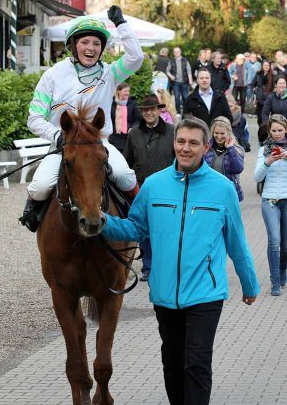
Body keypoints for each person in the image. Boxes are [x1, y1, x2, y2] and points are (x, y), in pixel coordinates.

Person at [102, 116, 259, 405]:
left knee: (196, 364)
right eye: (181, 141)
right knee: (173, 365)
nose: (186, 148)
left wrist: (249, 284)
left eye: (193, 143)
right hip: (164, 294)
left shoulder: (222, 189)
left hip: (205, 294)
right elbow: (135, 228)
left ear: (206, 146)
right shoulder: (153, 185)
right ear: (175, 143)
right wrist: (100, 222)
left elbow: (237, 241)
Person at [19, 6, 144, 232]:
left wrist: (121, 24)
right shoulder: (52, 76)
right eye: (85, 42)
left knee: (125, 175)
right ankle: (32, 213)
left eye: (97, 44)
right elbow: (34, 118)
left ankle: (141, 220)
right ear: (73, 45)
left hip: (99, 144)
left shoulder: (110, 73)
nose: (91, 48)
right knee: (39, 186)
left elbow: (136, 57)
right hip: (62, 146)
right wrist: (57, 135)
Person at [123, 94, 175, 281]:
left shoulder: (171, 132)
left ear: (159, 110)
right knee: (144, 229)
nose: (149, 113)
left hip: (167, 188)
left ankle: (165, 265)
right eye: (145, 110)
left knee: (165, 229)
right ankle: (148, 267)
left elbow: (179, 160)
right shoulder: (134, 133)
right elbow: (126, 162)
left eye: (152, 109)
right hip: (142, 188)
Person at [254, 114, 287, 296]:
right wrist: (268, 162)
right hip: (270, 200)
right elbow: (257, 177)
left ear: (285, 130)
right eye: (273, 130)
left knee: (286, 244)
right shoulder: (264, 150)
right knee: (274, 240)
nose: (276, 134)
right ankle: (274, 281)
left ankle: (283, 271)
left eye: (280, 130)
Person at [204, 116, 244, 201]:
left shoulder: (237, 149)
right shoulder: (206, 148)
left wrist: (231, 149)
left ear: (228, 133)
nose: (219, 136)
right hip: (209, 191)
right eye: (216, 133)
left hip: (228, 192)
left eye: (222, 133)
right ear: (212, 132)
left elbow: (237, 169)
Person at [109, 82, 141, 153]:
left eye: (128, 91)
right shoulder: (111, 103)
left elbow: (138, 119)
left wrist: (132, 127)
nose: (127, 93)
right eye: (125, 91)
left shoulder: (133, 103)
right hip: (113, 137)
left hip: (127, 138)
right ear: (118, 91)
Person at [166, 47, 193, 117]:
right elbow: (167, 71)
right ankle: (178, 112)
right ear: (173, 53)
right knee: (177, 97)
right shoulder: (171, 61)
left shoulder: (185, 60)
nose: (176, 53)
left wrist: (190, 79)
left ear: (180, 52)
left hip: (184, 82)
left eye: (178, 52)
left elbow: (189, 70)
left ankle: (186, 111)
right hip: (175, 83)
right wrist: (171, 76)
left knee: (185, 97)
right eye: (175, 52)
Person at [250, 60, 273, 125]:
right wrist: (255, 90)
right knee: (259, 118)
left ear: (269, 66)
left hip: (268, 99)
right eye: (265, 65)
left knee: (266, 118)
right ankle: (261, 130)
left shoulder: (272, 75)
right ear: (262, 66)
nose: (266, 67)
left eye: (268, 65)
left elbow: (274, 86)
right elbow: (252, 84)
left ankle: (266, 130)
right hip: (259, 99)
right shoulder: (258, 73)